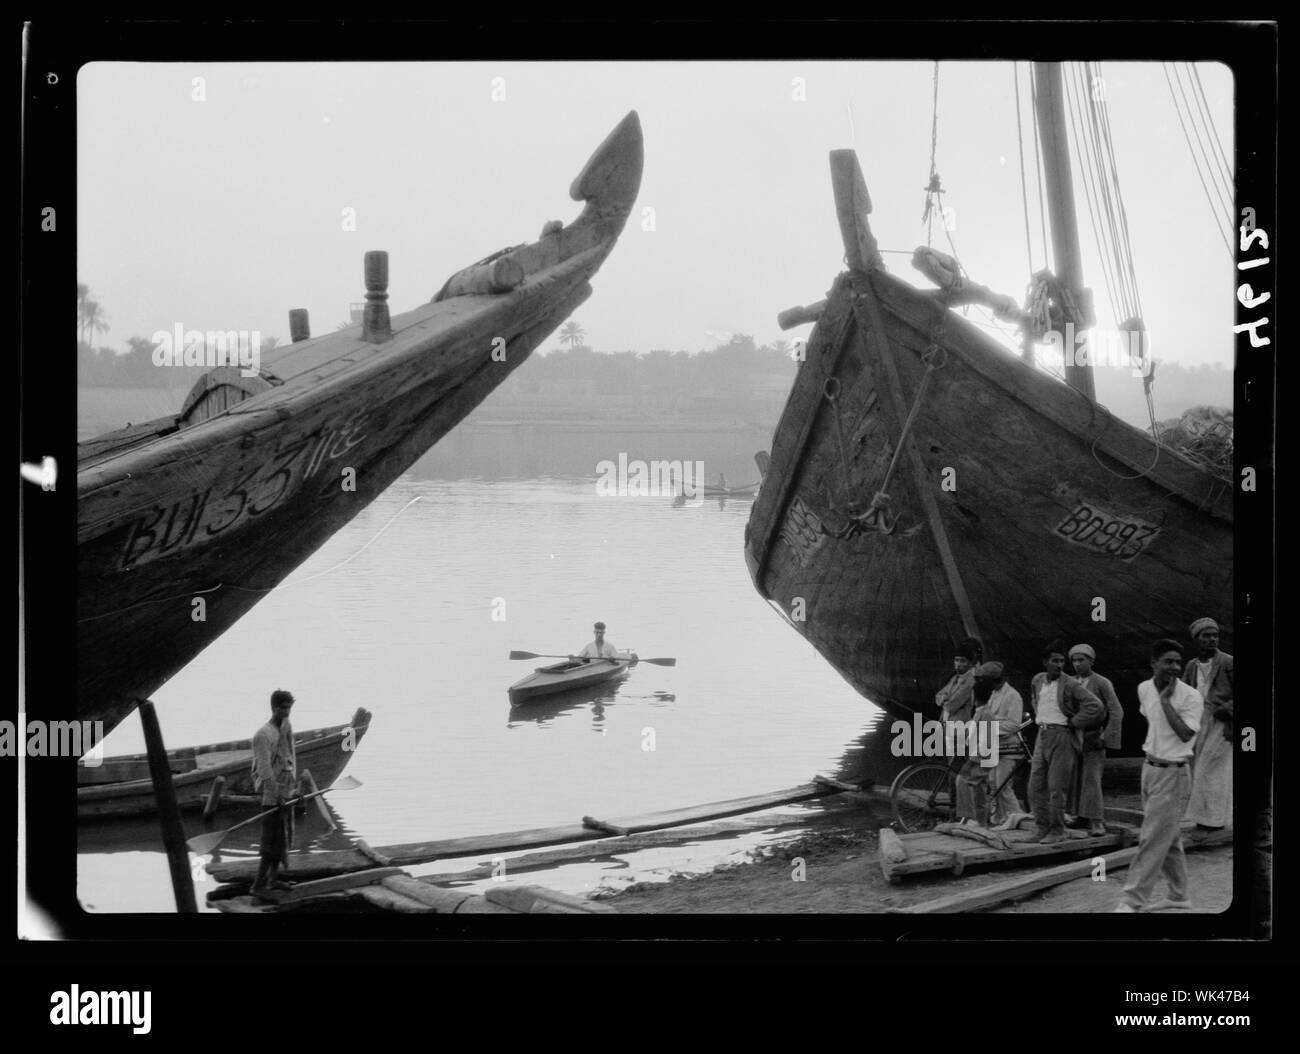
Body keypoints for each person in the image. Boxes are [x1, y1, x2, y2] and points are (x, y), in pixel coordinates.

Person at [1115, 639, 1202, 912]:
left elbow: (1186, 733)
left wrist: (1166, 700)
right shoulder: (1143, 689)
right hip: (1150, 769)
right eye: (1169, 661)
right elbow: (1152, 723)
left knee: (1152, 837)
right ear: (1154, 663)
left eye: (1178, 662)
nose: (1175, 667)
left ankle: (1132, 900)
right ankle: (1179, 895)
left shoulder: (1190, 696)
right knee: (1168, 835)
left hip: (1174, 773)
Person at [1025, 639, 1105, 843]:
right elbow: (1036, 699)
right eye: (1055, 661)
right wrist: (1039, 717)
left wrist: (1074, 722)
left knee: (1056, 787)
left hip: (1062, 736)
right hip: (1042, 735)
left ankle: (1057, 830)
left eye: (1062, 661)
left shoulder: (1070, 683)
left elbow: (1095, 706)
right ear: (1045, 662)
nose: (1059, 665)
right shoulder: (1038, 680)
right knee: (1035, 784)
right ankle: (1041, 827)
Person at [955, 661, 1026, 826]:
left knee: (1003, 785)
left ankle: (1018, 818)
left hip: (1008, 747)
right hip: (991, 747)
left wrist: (989, 728)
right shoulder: (992, 693)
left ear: (995, 680)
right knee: (993, 785)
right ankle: (1001, 819)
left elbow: (1014, 724)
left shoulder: (1012, 696)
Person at [1067, 644, 1124, 837]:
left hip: (1093, 736)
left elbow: (1116, 711)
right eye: (1074, 660)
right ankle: (1081, 815)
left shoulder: (1101, 682)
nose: (1077, 664)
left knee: (1092, 779)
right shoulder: (1069, 682)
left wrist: (1105, 736)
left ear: (1091, 661)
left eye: (1081, 660)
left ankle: (1097, 820)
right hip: (1074, 736)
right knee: (1076, 778)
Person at [1184, 617, 1233, 835]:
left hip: (1222, 722)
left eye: (1215, 635)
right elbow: (1183, 692)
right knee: (1197, 769)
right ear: (1197, 639)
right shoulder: (1192, 665)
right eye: (1207, 636)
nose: (1212, 639)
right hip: (1198, 722)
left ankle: (1213, 822)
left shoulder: (1228, 662)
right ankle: (1205, 820)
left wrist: (1226, 709)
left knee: (1210, 768)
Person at [250, 689, 300, 895]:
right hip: (272, 796)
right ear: (273, 708)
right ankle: (257, 885)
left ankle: (272, 880)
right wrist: (276, 795)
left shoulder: (287, 725)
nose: (286, 712)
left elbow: (291, 755)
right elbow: (264, 770)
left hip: (286, 789)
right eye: (282, 708)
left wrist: (295, 788)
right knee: (269, 843)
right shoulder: (262, 735)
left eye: (289, 708)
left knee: (282, 840)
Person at [934, 638, 983, 739]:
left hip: (960, 730)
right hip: (947, 727)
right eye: (956, 660)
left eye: (963, 661)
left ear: (970, 663)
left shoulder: (970, 681)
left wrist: (945, 698)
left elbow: (951, 706)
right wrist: (944, 698)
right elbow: (938, 697)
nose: (959, 664)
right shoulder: (954, 678)